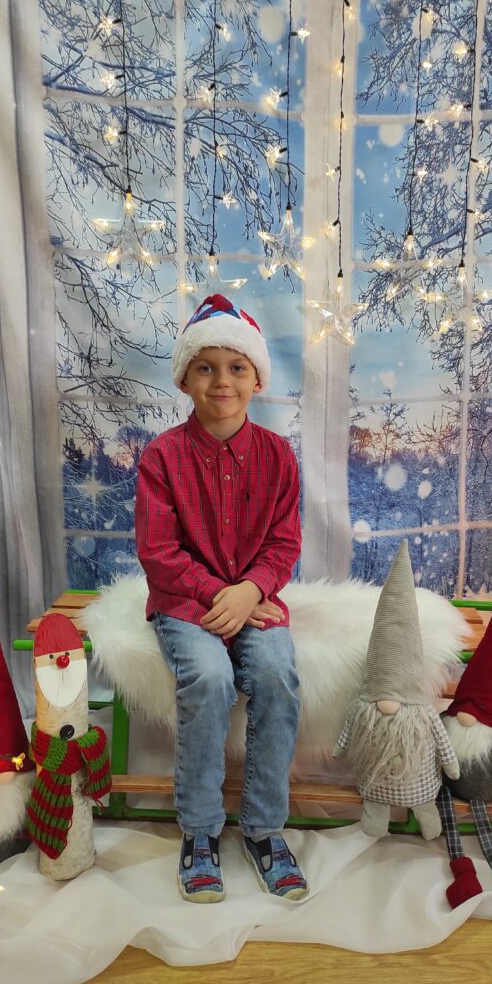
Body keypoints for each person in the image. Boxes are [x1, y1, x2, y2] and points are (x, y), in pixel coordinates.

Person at [135, 294, 308, 904]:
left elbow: (285, 542)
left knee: (278, 674)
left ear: (257, 379)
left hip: (256, 598)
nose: (222, 381)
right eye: (205, 368)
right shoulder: (162, 456)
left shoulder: (277, 456)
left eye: (236, 367)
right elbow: (158, 551)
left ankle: (264, 829)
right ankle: (201, 831)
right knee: (209, 679)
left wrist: (251, 590)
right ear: (185, 379)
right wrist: (220, 595)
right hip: (184, 601)